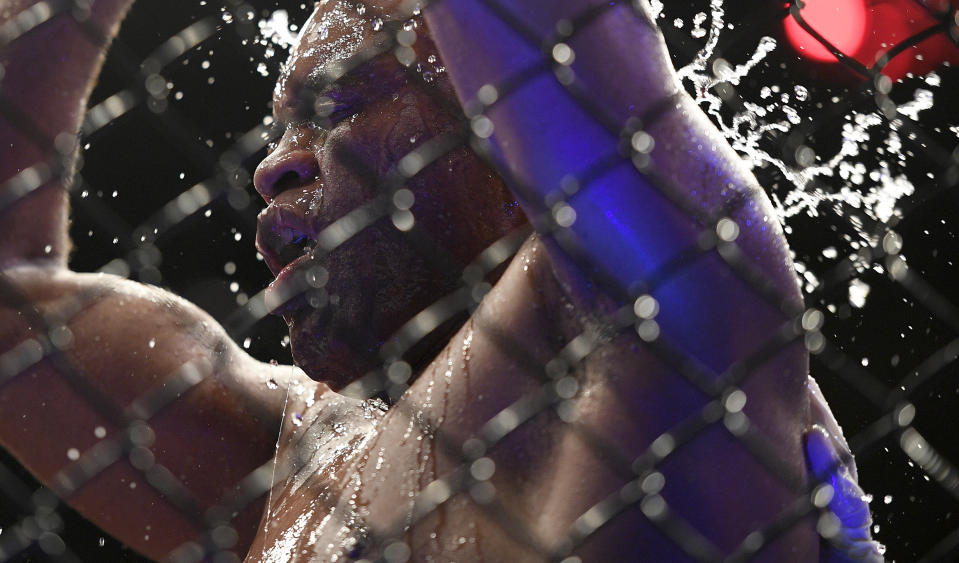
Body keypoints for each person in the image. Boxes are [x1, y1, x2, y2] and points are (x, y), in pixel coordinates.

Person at [0, 0, 883, 560]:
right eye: (277, 130)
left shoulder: (646, 294)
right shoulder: (286, 458)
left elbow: (565, 58)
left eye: (338, 106)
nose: (272, 168)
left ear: (509, 153)